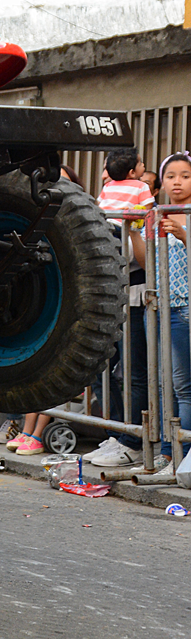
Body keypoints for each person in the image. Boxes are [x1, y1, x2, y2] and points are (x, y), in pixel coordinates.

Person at [90, 148, 153, 467]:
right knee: (100, 367)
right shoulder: (137, 191)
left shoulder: (108, 194)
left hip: (137, 293)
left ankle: (133, 440)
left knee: (132, 371)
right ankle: (118, 433)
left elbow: (146, 255)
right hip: (111, 292)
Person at [131, 151, 191, 466]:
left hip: (183, 311)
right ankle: (167, 452)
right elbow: (145, 263)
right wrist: (132, 230)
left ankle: (182, 454)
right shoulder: (154, 214)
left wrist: (185, 235)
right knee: (161, 383)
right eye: (171, 176)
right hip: (155, 308)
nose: (177, 182)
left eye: (185, 175)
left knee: (183, 385)